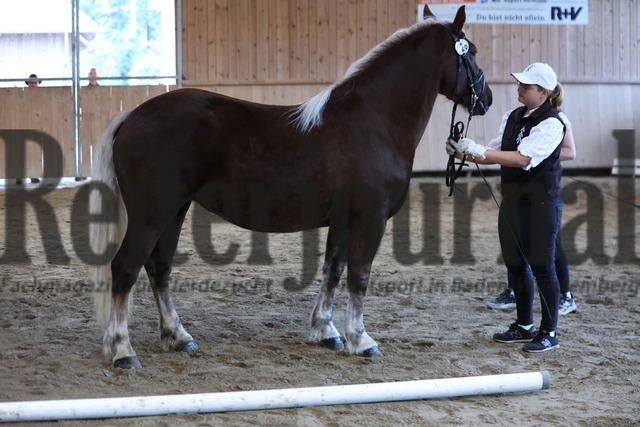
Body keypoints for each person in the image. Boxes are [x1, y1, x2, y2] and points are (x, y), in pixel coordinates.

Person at [448, 63, 565, 353]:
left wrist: (478, 150)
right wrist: (465, 152)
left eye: (527, 86)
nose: (520, 89)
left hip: (541, 203)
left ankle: (549, 331)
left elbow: (522, 158)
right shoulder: (512, 116)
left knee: (543, 267)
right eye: (521, 85)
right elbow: (495, 154)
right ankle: (524, 325)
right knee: (515, 264)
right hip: (512, 200)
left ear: (543, 92)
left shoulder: (553, 122)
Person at [487, 99, 577, 316]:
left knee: (551, 246)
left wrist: (540, 153)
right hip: (518, 188)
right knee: (515, 245)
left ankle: (566, 295)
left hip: (543, 189)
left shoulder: (556, 118)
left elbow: (570, 152)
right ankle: (513, 291)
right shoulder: (517, 117)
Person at [18, 74, 43, 184]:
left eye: (35, 82)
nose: (33, 84)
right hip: (22, 124)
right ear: (28, 84)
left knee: (34, 152)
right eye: (31, 82)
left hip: (36, 126)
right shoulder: (22, 95)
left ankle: (33, 175)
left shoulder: (42, 96)